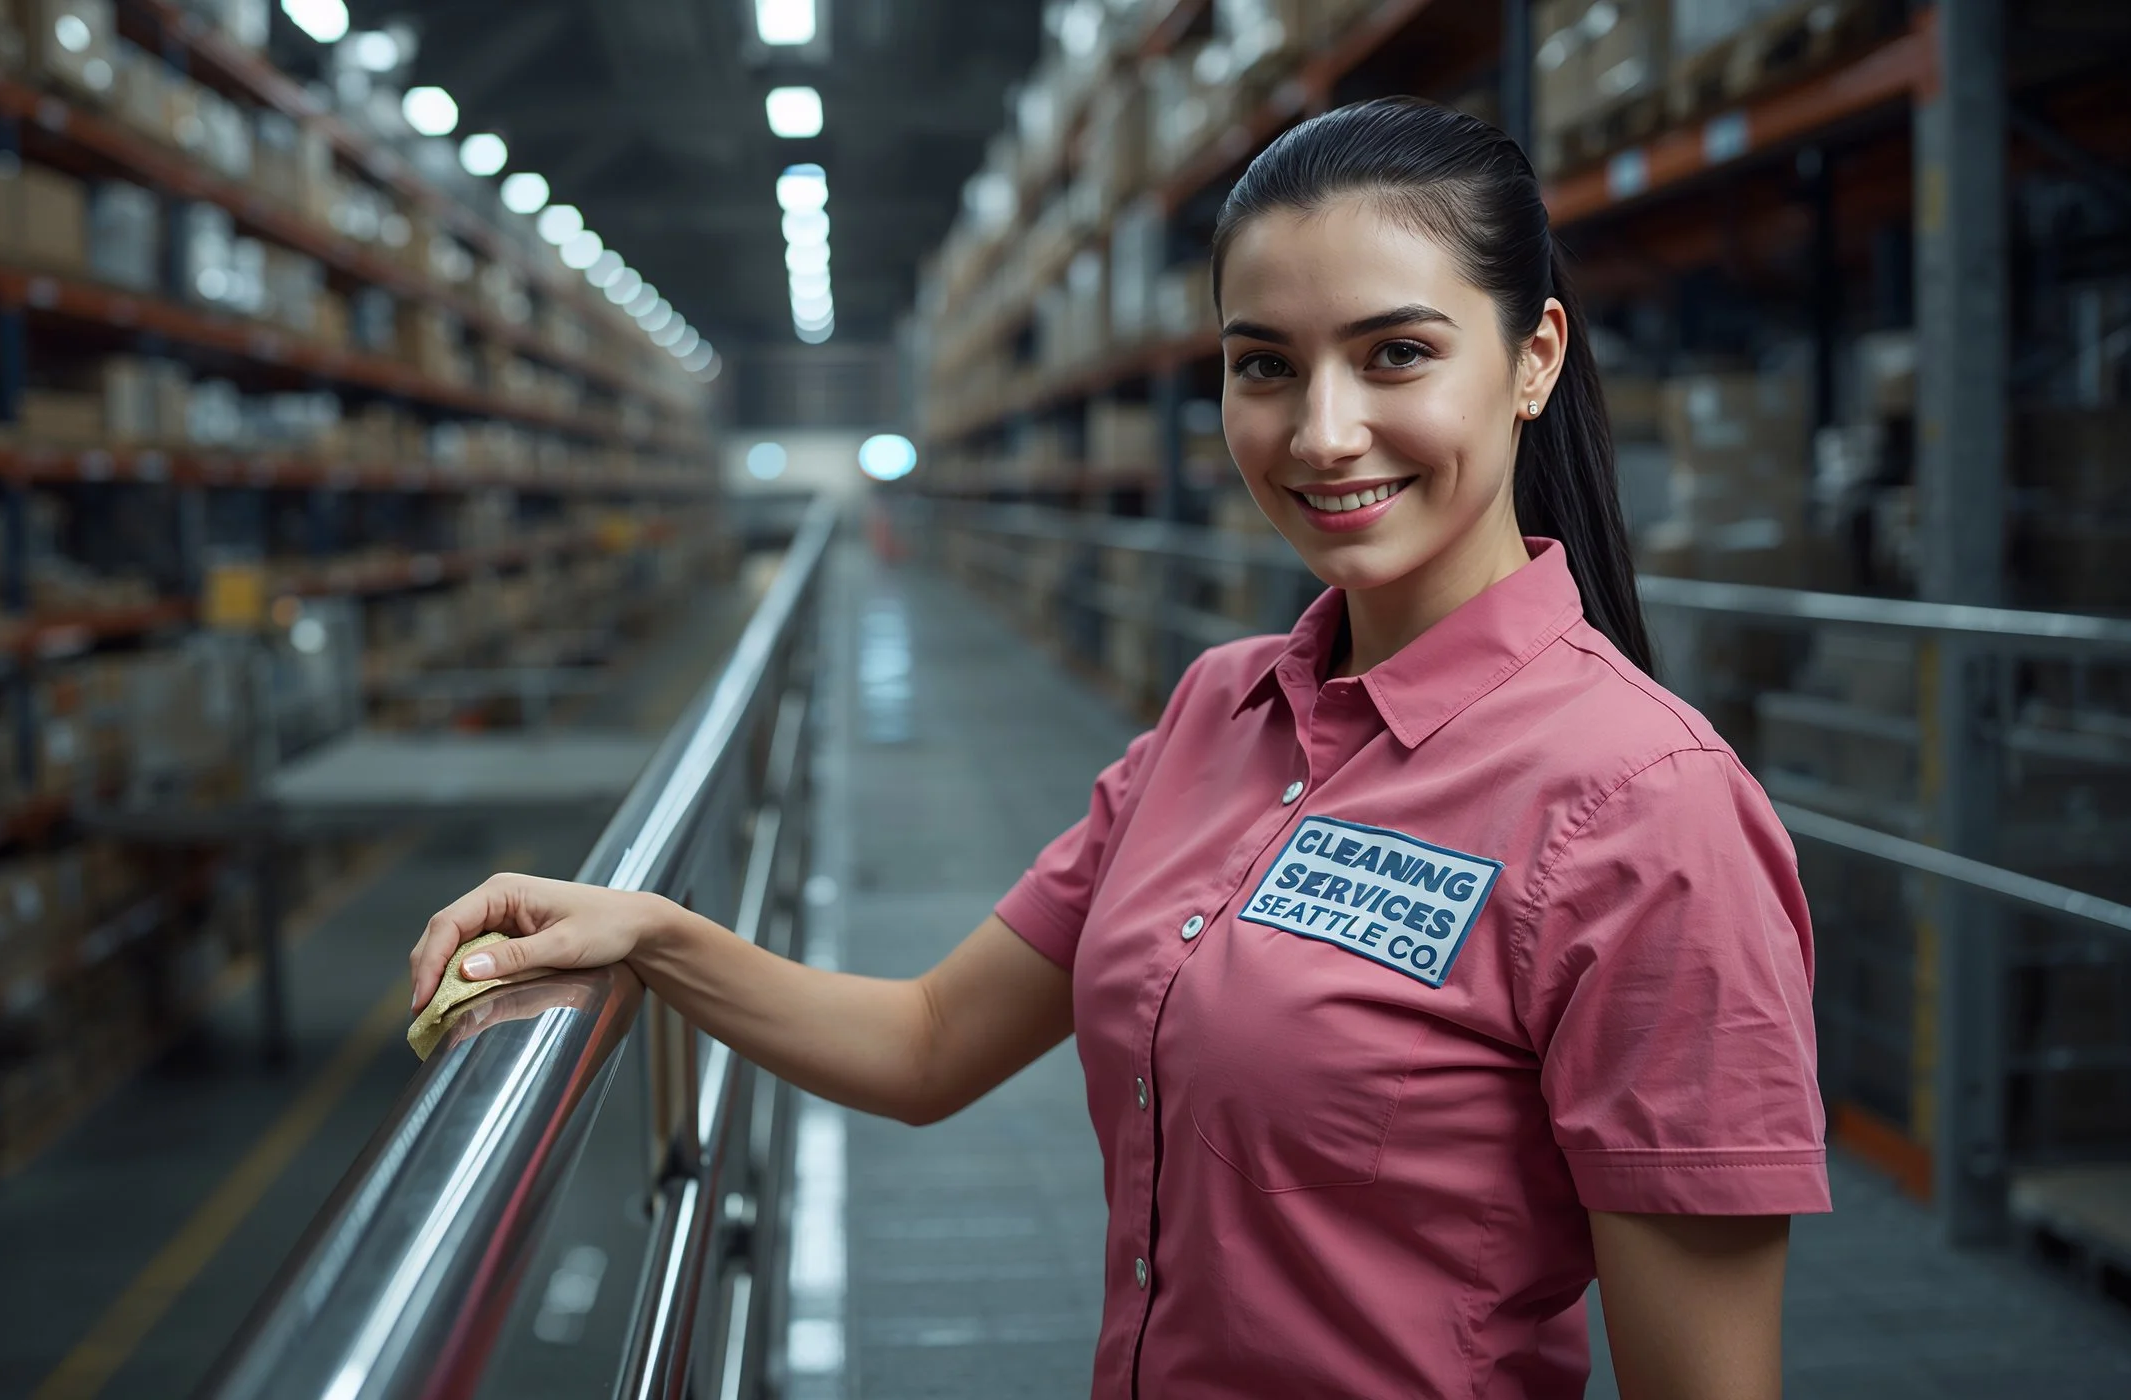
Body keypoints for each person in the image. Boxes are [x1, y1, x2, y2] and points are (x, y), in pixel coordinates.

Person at [410, 97, 1829, 1400]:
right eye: (1263, 367)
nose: (1324, 434)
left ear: (1533, 362)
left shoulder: (1647, 813)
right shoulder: (1220, 714)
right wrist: (653, 937)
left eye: (1396, 353)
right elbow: (930, 1044)